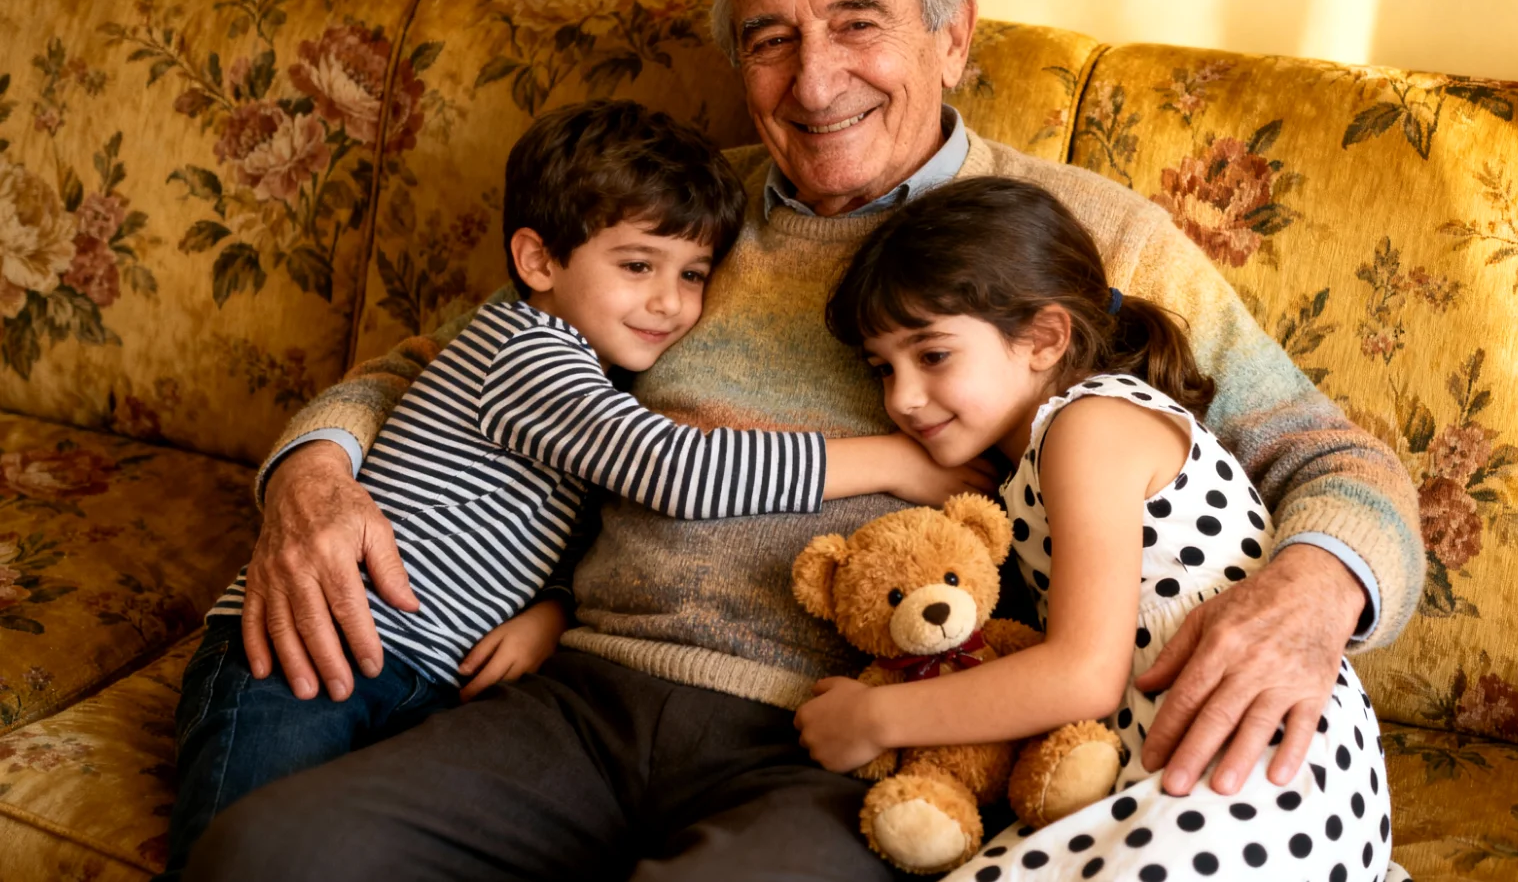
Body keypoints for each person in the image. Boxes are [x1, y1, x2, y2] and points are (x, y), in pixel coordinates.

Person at [188, 0, 1423, 879]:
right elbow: (435, 367)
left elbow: (1329, 454)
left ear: (955, 35)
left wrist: (1311, 597)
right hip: (578, 698)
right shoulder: (677, 220)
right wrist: (311, 477)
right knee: (269, 854)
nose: (814, 78)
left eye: (858, 21)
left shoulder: (1089, 235)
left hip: (840, 745)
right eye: (770, 39)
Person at [162, 101, 986, 879]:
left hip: (442, 672)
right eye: (638, 267)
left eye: (695, 275)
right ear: (537, 261)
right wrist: (893, 463)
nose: (670, 303)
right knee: (243, 848)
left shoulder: (597, 360)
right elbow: (674, 470)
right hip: (314, 639)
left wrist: (554, 607)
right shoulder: (531, 351)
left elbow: (557, 517)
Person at [800, 176, 1410, 881]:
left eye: (932, 355)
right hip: (1233, 766)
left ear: (1044, 337)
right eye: (883, 368)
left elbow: (1082, 675)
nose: (902, 398)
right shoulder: (1043, 451)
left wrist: (876, 718)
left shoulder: (1088, 429)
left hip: (1254, 767)